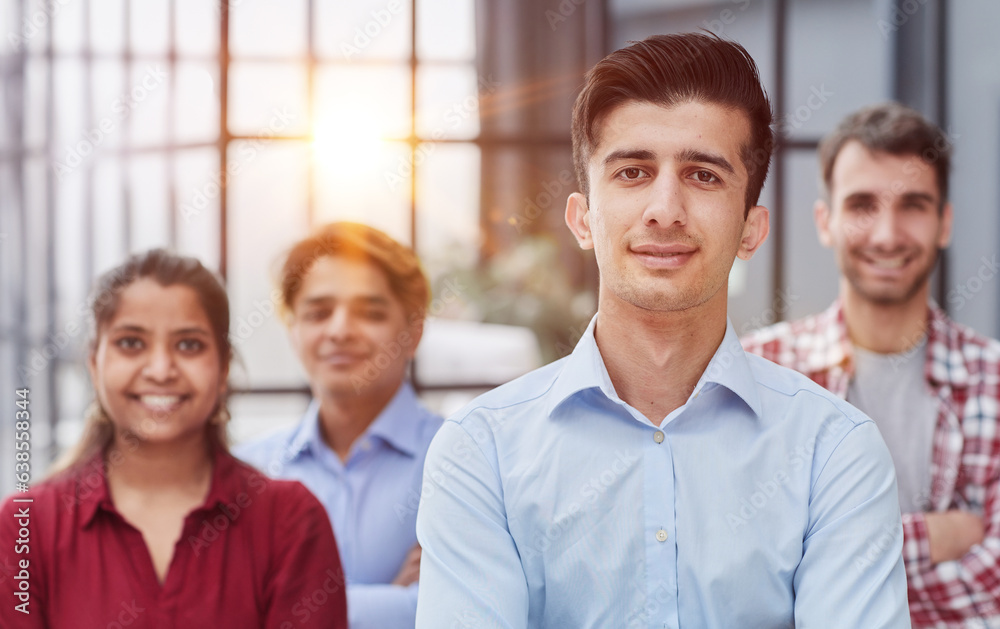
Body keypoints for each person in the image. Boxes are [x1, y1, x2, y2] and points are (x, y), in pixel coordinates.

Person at [415, 33, 909, 628]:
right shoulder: (480, 453)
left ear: (752, 228)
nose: (665, 209)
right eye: (632, 172)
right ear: (582, 219)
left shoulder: (834, 452)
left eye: (703, 176)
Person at [742, 102, 1000, 627]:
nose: (886, 234)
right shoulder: (756, 370)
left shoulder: (993, 380)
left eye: (912, 205)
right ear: (825, 221)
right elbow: (738, 569)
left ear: (944, 222)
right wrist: (937, 537)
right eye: (861, 204)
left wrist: (824, 557)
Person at [0, 249, 347, 628]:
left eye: (188, 345)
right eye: (131, 343)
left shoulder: (291, 521)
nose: (161, 369)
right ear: (95, 362)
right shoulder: (26, 525)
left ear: (224, 366)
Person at [237, 222, 442, 629]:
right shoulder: (248, 473)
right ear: (293, 330)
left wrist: (282, 605)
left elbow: (458, 614)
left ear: (413, 332)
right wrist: (395, 603)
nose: (340, 331)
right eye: (318, 312)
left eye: (370, 312)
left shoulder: (464, 459)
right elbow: (228, 611)